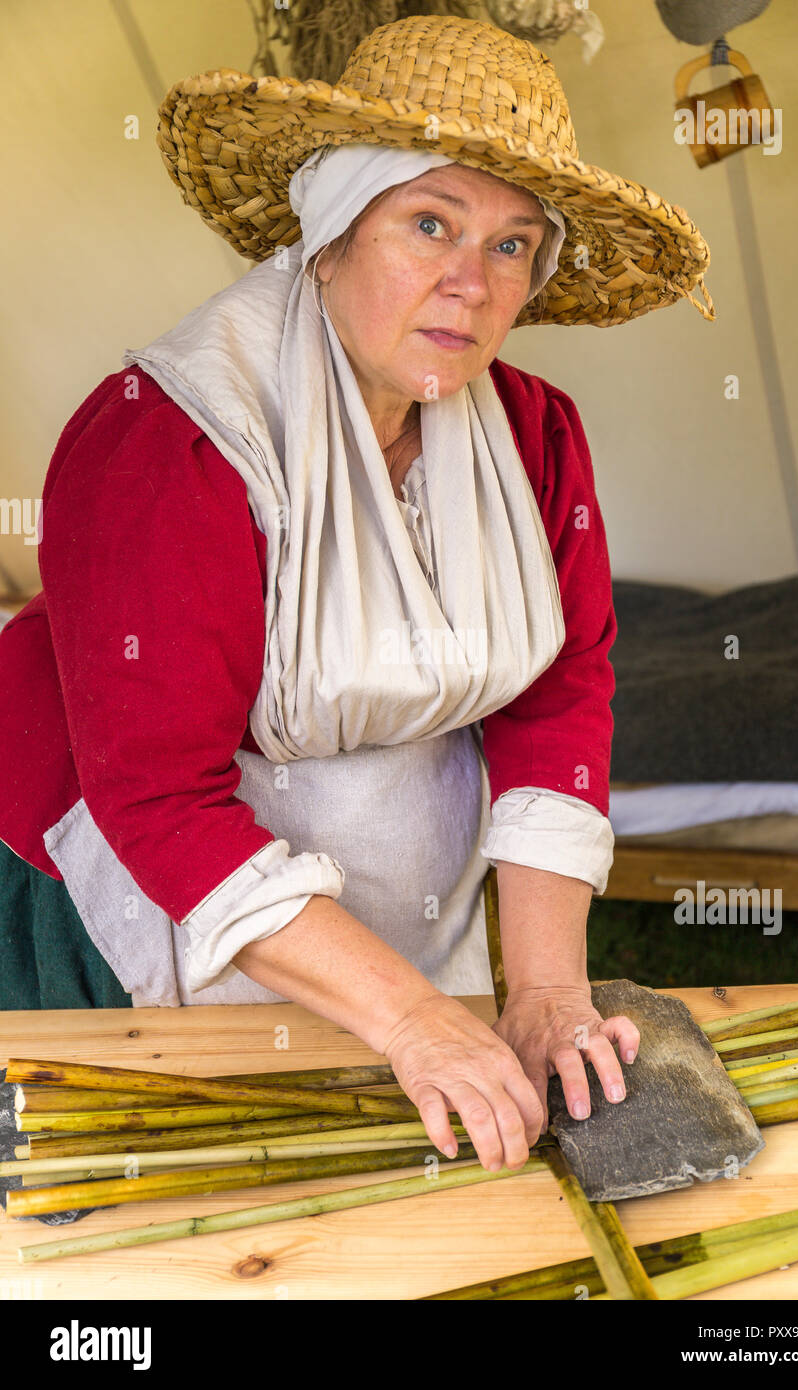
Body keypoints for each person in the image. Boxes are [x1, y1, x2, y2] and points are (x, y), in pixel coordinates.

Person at [0, 15, 714, 1172]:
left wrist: (540, 991)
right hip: (136, 889)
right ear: (330, 232)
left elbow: (553, 700)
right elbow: (158, 798)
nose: (467, 284)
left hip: (394, 907)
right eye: (428, 222)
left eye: (511, 244)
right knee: (165, 1204)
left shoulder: (530, 437)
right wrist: (407, 1017)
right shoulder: (173, 442)